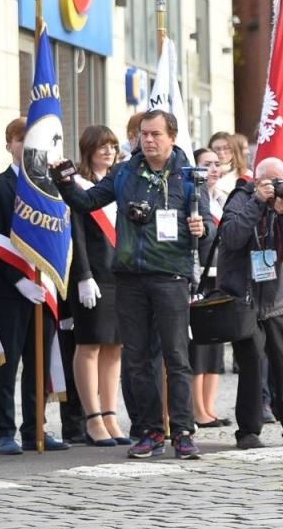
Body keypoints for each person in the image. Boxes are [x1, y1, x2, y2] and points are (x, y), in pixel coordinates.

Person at [57, 109, 208, 461]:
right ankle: (149, 430)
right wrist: (64, 179)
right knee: (136, 360)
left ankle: (182, 431)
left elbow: (208, 228)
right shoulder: (124, 172)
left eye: (156, 134)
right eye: (144, 134)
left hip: (170, 276)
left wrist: (202, 228)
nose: (149, 140)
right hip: (129, 278)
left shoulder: (187, 177)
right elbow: (86, 201)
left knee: (176, 357)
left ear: (172, 137)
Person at [216, 158, 283, 450]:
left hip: (275, 299)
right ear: (257, 181)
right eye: (271, 182)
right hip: (243, 298)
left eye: (281, 181)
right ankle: (248, 431)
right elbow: (231, 238)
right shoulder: (240, 199)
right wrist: (256, 203)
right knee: (251, 365)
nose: (277, 187)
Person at [0, 117, 66, 454]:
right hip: (10, 289)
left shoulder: (48, 185)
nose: (26, 146)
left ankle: (35, 429)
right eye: (20, 140)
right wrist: (18, 280)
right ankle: (4, 431)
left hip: (42, 287)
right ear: (9, 145)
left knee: (38, 363)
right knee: (7, 364)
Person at [68, 126, 129, 447]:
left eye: (113, 146)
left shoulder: (119, 182)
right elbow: (75, 233)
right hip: (91, 275)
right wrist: (83, 275)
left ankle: (110, 414)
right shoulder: (77, 185)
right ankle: (92, 417)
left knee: (114, 346)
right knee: (90, 344)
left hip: (119, 274)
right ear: (88, 149)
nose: (108, 151)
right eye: (102, 146)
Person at [188, 147, 230, 429]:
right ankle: (196, 410)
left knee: (216, 346)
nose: (213, 169)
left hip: (221, 276)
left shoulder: (223, 198)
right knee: (198, 348)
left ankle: (209, 407)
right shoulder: (194, 197)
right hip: (198, 276)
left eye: (216, 164)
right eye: (206, 164)